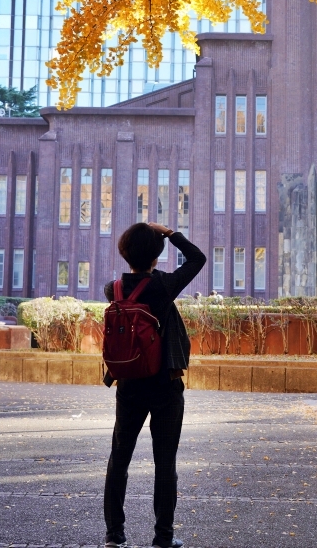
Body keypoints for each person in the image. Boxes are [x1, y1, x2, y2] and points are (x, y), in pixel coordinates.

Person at [103, 222, 206, 548]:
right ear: (157, 255)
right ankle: (163, 538)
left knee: (119, 458)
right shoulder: (163, 287)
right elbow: (197, 258)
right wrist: (171, 233)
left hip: (129, 384)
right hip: (165, 385)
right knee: (165, 462)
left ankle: (114, 536)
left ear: (125, 252)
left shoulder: (115, 289)